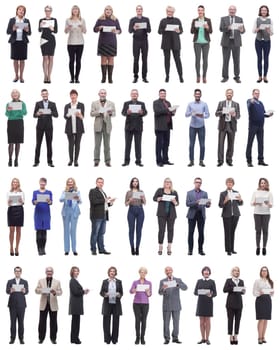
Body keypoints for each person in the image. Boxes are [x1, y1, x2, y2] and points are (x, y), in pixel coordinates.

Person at [159, 266, 187, 344]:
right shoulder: (162, 281)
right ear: (165, 272)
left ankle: (175, 338)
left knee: (176, 322)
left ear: (172, 271)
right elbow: (159, 293)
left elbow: (185, 287)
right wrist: (163, 289)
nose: (168, 272)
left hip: (176, 305)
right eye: (166, 270)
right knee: (166, 323)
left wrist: (178, 285)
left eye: (169, 270)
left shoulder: (178, 280)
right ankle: (167, 338)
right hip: (166, 305)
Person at [93, 5, 121, 83]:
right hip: (103, 42)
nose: (108, 11)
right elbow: (94, 29)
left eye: (109, 10)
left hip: (112, 42)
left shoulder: (115, 20)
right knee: (103, 59)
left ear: (112, 11)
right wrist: (99, 28)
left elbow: (120, 30)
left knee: (111, 59)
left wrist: (116, 31)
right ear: (104, 11)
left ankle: (110, 78)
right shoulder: (100, 19)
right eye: (106, 9)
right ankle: (103, 78)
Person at [245, 89, 273, 167]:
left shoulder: (261, 103)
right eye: (255, 93)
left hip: (261, 126)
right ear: (252, 94)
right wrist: (251, 102)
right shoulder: (250, 101)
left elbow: (263, 113)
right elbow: (249, 106)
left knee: (261, 143)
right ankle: (249, 161)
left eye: (258, 93)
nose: (257, 94)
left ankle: (261, 160)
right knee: (250, 143)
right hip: (253, 126)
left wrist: (268, 115)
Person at [35, 267, 62, 344]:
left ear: (53, 272)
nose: (49, 272)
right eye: (48, 271)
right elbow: (36, 290)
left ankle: (53, 338)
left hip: (53, 304)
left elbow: (60, 291)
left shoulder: (57, 282)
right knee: (42, 322)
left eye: (50, 271)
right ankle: (41, 338)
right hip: (44, 304)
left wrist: (55, 292)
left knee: (53, 322)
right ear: (45, 272)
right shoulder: (41, 281)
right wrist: (43, 290)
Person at [89, 177, 116, 255]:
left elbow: (104, 204)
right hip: (96, 216)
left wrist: (110, 203)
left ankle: (101, 249)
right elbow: (94, 201)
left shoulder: (103, 192)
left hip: (104, 215)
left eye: (102, 182)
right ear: (96, 183)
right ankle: (93, 249)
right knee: (95, 233)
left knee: (102, 233)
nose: (100, 183)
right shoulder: (93, 191)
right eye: (99, 182)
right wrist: (105, 200)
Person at [121, 89, 147, 166]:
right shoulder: (126, 103)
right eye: (133, 94)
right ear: (130, 95)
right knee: (127, 145)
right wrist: (127, 112)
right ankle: (126, 161)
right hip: (129, 127)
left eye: (135, 94)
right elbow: (122, 112)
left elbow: (145, 112)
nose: (134, 95)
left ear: (137, 95)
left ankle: (138, 161)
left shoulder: (142, 103)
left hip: (138, 126)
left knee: (138, 145)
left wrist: (142, 112)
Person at [33, 89, 58, 167]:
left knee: (49, 144)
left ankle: (50, 161)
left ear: (48, 94)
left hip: (49, 127)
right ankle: (36, 161)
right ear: (41, 95)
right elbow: (34, 115)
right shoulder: (38, 103)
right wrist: (37, 113)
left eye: (46, 94)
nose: (44, 95)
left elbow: (56, 115)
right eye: (43, 94)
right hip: (40, 127)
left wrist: (50, 111)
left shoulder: (52, 104)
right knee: (38, 144)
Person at [153, 178, 179, 255]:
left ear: (171, 183)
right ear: (164, 183)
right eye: (166, 182)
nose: (167, 183)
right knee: (161, 230)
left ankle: (169, 246)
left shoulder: (174, 192)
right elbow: (154, 198)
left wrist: (175, 202)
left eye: (169, 182)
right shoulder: (159, 190)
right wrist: (158, 198)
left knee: (170, 230)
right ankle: (160, 246)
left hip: (171, 214)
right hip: (161, 214)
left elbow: (177, 203)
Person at [220, 5, 245, 83]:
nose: (232, 11)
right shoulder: (223, 18)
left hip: (236, 42)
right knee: (225, 60)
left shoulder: (239, 19)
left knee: (236, 60)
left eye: (233, 9)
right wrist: (228, 28)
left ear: (235, 10)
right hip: (226, 42)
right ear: (228, 10)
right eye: (231, 9)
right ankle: (225, 76)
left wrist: (241, 30)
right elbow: (221, 29)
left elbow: (243, 31)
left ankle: (237, 77)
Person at [90, 89, 116, 167]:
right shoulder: (94, 103)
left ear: (106, 94)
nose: (103, 94)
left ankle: (107, 161)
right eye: (101, 93)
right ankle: (96, 160)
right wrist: (99, 112)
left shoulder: (111, 103)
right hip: (98, 125)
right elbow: (91, 113)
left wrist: (111, 113)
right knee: (97, 145)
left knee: (107, 145)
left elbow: (114, 113)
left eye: (104, 93)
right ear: (99, 94)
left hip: (107, 125)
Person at [215, 88, 240, 166]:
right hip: (223, 125)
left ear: (232, 94)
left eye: (230, 93)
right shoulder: (221, 103)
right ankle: (220, 161)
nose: (229, 94)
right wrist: (222, 112)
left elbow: (239, 115)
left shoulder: (236, 104)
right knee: (220, 144)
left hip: (232, 126)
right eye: (228, 93)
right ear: (225, 94)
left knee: (231, 144)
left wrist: (235, 115)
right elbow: (216, 113)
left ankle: (229, 160)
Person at [158, 6, 183, 83]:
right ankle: (167, 76)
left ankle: (180, 76)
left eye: (171, 11)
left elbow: (181, 31)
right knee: (167, 60)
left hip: (175, 43)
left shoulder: (177, 20)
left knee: (177, 60)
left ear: (173, 12)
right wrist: (164, 29)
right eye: (169, 11)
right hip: (166, 43)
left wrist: (179, 31)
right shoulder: (163, 20)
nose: (170, 13)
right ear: (166, 11)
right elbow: (159, 31)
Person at [7, 5, 31, 83]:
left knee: (22, 60)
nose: (21, 11)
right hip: (14, 42)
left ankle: (21, 76)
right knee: (15, 60)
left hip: (23, 42)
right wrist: (13, 29)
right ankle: (16, 76)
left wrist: (27, 30)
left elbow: (30, 33)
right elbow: (7, 31)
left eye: (23, 10)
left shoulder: (26, 20)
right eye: (19, 10)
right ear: (17, 11)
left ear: (24, 12)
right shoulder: (12, 20)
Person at [186, 177, 211, 255]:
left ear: (201, 184)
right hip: (192, 215)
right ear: (194, 183)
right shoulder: (189, 193)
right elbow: (187, 204)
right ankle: (190, 250)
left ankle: (200, 250)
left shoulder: (204, 193)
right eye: (197, 182)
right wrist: (196, 202)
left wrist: (208, 204)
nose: (198, 183)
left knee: (201, 233)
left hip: (201, 214)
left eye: (200, 182)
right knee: (191, 233)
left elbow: (207, 205)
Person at [185, 89, 210, 167]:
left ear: (200, 95)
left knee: (202, 145)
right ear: (194, 95)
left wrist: (202, 115)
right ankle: (191, 161)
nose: (197, 95)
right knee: (191, 145)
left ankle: (201, 161)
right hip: (192, 127)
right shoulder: (190, 104)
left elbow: (208, 115)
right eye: (196, 94)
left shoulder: (204, 104)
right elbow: (186, 115)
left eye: (199, 94)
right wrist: (191, 113)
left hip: (201, 127)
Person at [219, 178, 243, 255]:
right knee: (227, 232)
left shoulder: (236, 192)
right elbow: (220, 205)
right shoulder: (223, 193)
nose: (229, 184)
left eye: (231, 183)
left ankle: (232, 249)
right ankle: (228, 250)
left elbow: (240, 204)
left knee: (232, 232)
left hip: (235, 215)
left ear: (233, 184)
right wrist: (225, 200)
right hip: (226, 215)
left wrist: (240, 199)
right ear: (226, 184)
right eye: (228, 182)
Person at [153, 89, 177, 166]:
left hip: (168, 126)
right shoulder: (156, 102)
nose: (163, 95)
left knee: (166, 144)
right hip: (159, 127)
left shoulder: (168, 102)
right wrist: (168, 109)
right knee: (159, 145)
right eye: (161, 94)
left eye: (164, 94)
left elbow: (169, 113)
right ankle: (159, 161)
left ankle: (165, 160)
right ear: (159, 94)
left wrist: (173, 112)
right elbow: (157, 112)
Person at [100, 266, 123, 344]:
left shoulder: (119, 281)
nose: (112, 272)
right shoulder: (105, 281)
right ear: (109, 273)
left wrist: (119, 295)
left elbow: (121, 292)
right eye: (111, 271)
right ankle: (107, 339)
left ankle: (114, 339)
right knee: (106, 322)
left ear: (115, 273)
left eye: (113, 271)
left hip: (116, 304)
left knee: (116, 322)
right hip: (107, 304)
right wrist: (105, 294)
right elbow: (101, 292)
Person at [194, 266, 217, 345]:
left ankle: (207, 339)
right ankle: (202, 338)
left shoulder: (212, 281)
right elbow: (195, 292)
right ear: (202, 272)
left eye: (207, 271)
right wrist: (200, 292)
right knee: (201, 322)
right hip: (201, 303)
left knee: (207, 321)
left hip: (208, 303)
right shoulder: (199, 281)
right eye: (205, 271)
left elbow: (215, 293)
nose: (206, 272)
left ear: (209, 273)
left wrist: (211, 294)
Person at [223, 266, 246, 345]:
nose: (237, 272)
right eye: (235, 271)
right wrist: (233, 288)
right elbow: (224, 290)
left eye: (238, 271)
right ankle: (230, 336)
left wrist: (243, 291)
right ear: (232, 272)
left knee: (238, 320)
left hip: (239, 304)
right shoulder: (228, 280)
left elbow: (243, 292)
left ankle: (236, 335)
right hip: (230, 304)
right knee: (230, 320)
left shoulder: (241, 281)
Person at [6, 266, 29, 344]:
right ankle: (12, 338)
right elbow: (6, 291)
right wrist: (10, 290)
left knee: (21, 322)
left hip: (21, 305)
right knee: (12, 322)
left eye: (19, 271)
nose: (17, 272)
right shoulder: (10, 281)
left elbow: (27, 291)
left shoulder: (24, 281)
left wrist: (24, 291)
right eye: (16, 271)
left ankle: (21, 338)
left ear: (21, 272)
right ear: (14, 272)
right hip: (12, 305)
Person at [128, 5, 151, 83]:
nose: (139, 10)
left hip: (144, 41)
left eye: (140, 9)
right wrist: (134, 28)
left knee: (145, 59)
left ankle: (144, 77)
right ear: (136, 10)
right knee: (136, 59)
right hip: (136, 41)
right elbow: (129, 31)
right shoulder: (132, 20)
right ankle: (135, 76)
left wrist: (145, 27)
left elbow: (149, 30)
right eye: (137, 9)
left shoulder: (146, 19)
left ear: (142, 10)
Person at [190, 5, 212, 83]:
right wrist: (196, 26)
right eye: (199, 10)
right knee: (197, 60)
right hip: (197, 42)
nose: (200, 11)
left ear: (204, 11)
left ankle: (204, 76)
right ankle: (198, 76)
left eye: (201, 10)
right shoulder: (194, 20)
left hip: (206, 42)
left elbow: (211, 31)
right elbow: (191, 31)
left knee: (205, 60)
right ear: (197, 11)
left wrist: (207, 27)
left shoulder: (208, 20)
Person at [130, 267, 152, 344]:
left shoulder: (149, 283)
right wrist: (134, 290)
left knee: (144, 320)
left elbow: (149, 295)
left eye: (144, 272)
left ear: (146, 273)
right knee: (137, 320)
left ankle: (142, 337)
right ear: (139, 273)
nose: (142, 273)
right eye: (141, 272)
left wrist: (147, 292)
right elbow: (131, 291)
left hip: (145, 304)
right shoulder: (135, 282)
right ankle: (137, 337)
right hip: (136, 303)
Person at [251, 178, 273, 256]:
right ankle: (258, 247)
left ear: (266, 184)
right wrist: (257, 203)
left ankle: (264, 247)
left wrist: (268, 204)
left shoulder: (269, 193)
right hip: (257, 213)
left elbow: (271, 205)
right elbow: (251, 203)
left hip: (266, 214)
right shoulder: (255, 192)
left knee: (265, 231)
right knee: (258, 231)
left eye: (264, 183)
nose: (263, 184)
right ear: (259, 184)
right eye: (261, 183)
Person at [65, 5, 86, 83]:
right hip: (71, 43)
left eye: (76, 9)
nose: (75, 11)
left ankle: (77, 78)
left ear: (78, 11)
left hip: (80, 42)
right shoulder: (68, 20)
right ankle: (71, 78)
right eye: (74, 9)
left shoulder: (82, 20)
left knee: (78, 60)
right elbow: (65, 31)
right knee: (71, 60)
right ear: (72, 11)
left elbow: (85, 31)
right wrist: (68, 28)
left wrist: (82, 27)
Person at [60, 178, 81, 255]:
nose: (70, 183)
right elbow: (60, 199)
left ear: (73, 183)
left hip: (74, 211)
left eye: (71, 182)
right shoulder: (64, 191)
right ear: (67, 183)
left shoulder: (77, 191)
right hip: (66, 211)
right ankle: (66, 250)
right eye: (68, 182)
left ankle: (74, 249)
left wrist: (77, 198)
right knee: (66, 231)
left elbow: (80, 201)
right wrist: (67, 195)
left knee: (73, 230)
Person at [5, 89, 27, 167]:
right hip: (11, 122)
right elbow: (7, 114)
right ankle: (10, 159)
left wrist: (18, 108)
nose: (14, 94)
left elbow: (24, 113)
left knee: (18, 142)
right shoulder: (9, 103)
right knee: (11, 142)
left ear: (18, 95)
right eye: (13, 93)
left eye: (16, 93)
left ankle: (16, 159)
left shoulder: (22, 103)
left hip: (19, 122)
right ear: (12, 95)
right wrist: (8, 110)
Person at [253, 266, 274, 344]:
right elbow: (254, 292)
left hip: (268, 300)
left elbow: (271, 293)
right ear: (260, 272)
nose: (264, 272)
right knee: (261, 319)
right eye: (263, 271)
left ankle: (263, 336)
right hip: (260, 300)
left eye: (265, 271)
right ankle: (259, 337)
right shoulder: (257, 281)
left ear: (267, 272)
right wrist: (259, 293)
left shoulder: (270, 281)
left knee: (266, 320)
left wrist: (272, 293)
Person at [64, 89, 85, 166]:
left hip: (79, 127)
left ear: (77, 96)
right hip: (69, 127)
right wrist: (69, 114)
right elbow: (65, 117)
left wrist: (79, 115)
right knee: (70, 144)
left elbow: (83, 117)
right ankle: (70, 160)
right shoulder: (67, 105)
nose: (73, 96)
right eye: (71, 95)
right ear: (70, 96)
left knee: (77, 144)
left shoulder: (81, 105)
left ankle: (76, 160)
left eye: (74, 95)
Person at [125, 177, 146, 255]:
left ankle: (137, 248)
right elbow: (126, 204)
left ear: (138, 183)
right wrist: (129, 200)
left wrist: (143, 198)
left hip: (140, 210)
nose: (135, 183)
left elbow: (145, 203)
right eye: (133, 181)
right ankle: (132, 247)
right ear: (131, 183)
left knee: (139, 230)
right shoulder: (128, 192)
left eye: (136, 181)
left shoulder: (141, 191)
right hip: (131, 210)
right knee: (131, 230)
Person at [32, 177, 53, 255]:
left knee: (44, 232)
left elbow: (51, 202)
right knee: (39, 232)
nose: (42, 183)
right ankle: (39, 249)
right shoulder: (35, 192)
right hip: (38, 213)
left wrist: (49, 201)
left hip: (46, 213)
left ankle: (43, 248)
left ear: (45, 183)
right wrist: (35, 201)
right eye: (41, 182)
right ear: (39, 183)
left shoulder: (49, 192)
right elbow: (33, 201)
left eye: (44, 182)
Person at [69, 266, 89, 344]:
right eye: (75, 271)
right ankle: (75, 339)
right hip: (75, 305)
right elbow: (75, 292)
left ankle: (73, 339)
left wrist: (83, 291)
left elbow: (77, 291)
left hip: (77, 304)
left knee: (75, 322)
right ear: (72, 272)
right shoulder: (72, 281)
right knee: (75, 322)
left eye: (77, 271)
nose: (77, 272)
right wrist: (84, 291)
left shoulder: (75, 281)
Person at [254, 6, 273, 83]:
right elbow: (253, 31)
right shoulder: (256, 19)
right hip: (258, 41)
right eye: (262, 10)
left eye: (265, 10)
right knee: (259, 58)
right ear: (260, 11)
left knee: (266, 59)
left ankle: (265, 76)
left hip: (267, 41)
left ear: (267, 11)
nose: (264, 11)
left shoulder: (270, 20)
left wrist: (269, 31)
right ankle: (259, 76)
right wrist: (258, 29)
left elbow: (272, 33)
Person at [38, 5, 58, 83]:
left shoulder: (54, 20)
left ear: (51, 11)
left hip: (51, 40)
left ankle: (49, 76)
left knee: (51, 58)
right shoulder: (41, 20)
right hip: (43, 39)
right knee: (45, 58)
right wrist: (41, 26)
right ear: (45, 11)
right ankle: (45, 75)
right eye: (46, 10)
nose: (47, 12)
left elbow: (56, 31)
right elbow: (39, 30)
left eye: (49, 10)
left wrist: (52, 29)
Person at [7, 178, 24, 256]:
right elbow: (8, 203)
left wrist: (21, 201)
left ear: (18, 183)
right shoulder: (9, 192)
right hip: (11, 210)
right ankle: (11, 247)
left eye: (16, 182)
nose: (15, 183)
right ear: (12, 183)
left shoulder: (21, 192)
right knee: (11, 230)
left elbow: (23, 202)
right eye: (13, 182)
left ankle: (17, 247)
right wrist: (9, 202)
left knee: (18, 230)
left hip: (19, 210)